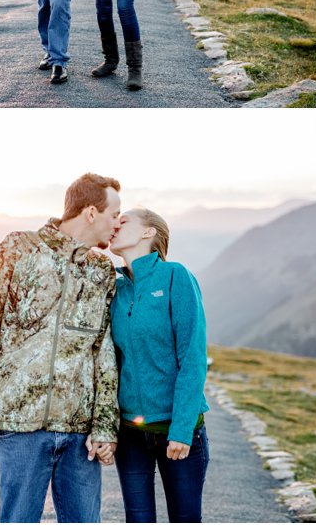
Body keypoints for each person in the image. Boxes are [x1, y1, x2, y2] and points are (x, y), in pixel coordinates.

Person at [0, 173, 123, 523]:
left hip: (80, 434)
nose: (117, 224)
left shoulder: (102, 270)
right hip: (21, 427)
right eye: (113, 215)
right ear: (91, 212)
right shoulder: (18, 248)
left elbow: (104, 351)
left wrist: (105, 424)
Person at [108, 208, 210, 523]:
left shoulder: (175, 276)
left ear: (147, 232)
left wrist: (180, 429)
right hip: (130, 432)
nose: (115, 225)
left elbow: (192, 359)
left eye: (123, 221)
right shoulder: (116, 288)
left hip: (176, 432)